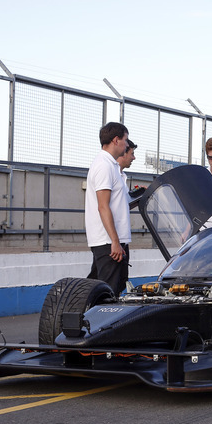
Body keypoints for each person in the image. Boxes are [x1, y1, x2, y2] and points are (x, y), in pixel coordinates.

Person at [85, 122, 131, 295]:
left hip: (113, 241)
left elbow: (116, 203)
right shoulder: (104, 166)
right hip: (108, 242)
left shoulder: (111, 165)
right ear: (116, 140)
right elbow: (103, 206)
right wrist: (115, 241)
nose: (127, 145)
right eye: (125, 140)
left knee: (99, 289)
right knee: (108, 293)